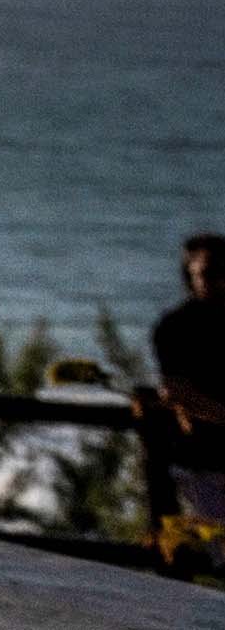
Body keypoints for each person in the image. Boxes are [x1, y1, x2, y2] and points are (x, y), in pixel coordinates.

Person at [155, 234, 225, 566]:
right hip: (200, 461)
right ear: (190, 277)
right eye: (209, 273)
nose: (220, 281)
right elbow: (178, 395)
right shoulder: (175, 328)